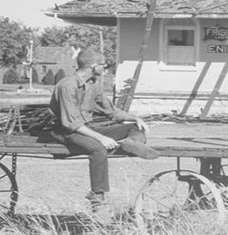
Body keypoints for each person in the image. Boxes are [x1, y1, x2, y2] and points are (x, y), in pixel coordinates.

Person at [49, 48, 159, 213]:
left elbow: (111, 111)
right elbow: (71, 123)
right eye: (103, 65)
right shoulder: (67, 86)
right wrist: (101, 138)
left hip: (87, 128)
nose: (105, 69)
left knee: (135, 127)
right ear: (93, 66)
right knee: (97, 148)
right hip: (65, 131)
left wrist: (134, 118)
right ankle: (97, 196)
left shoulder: (93, 85)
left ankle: (133, 142)